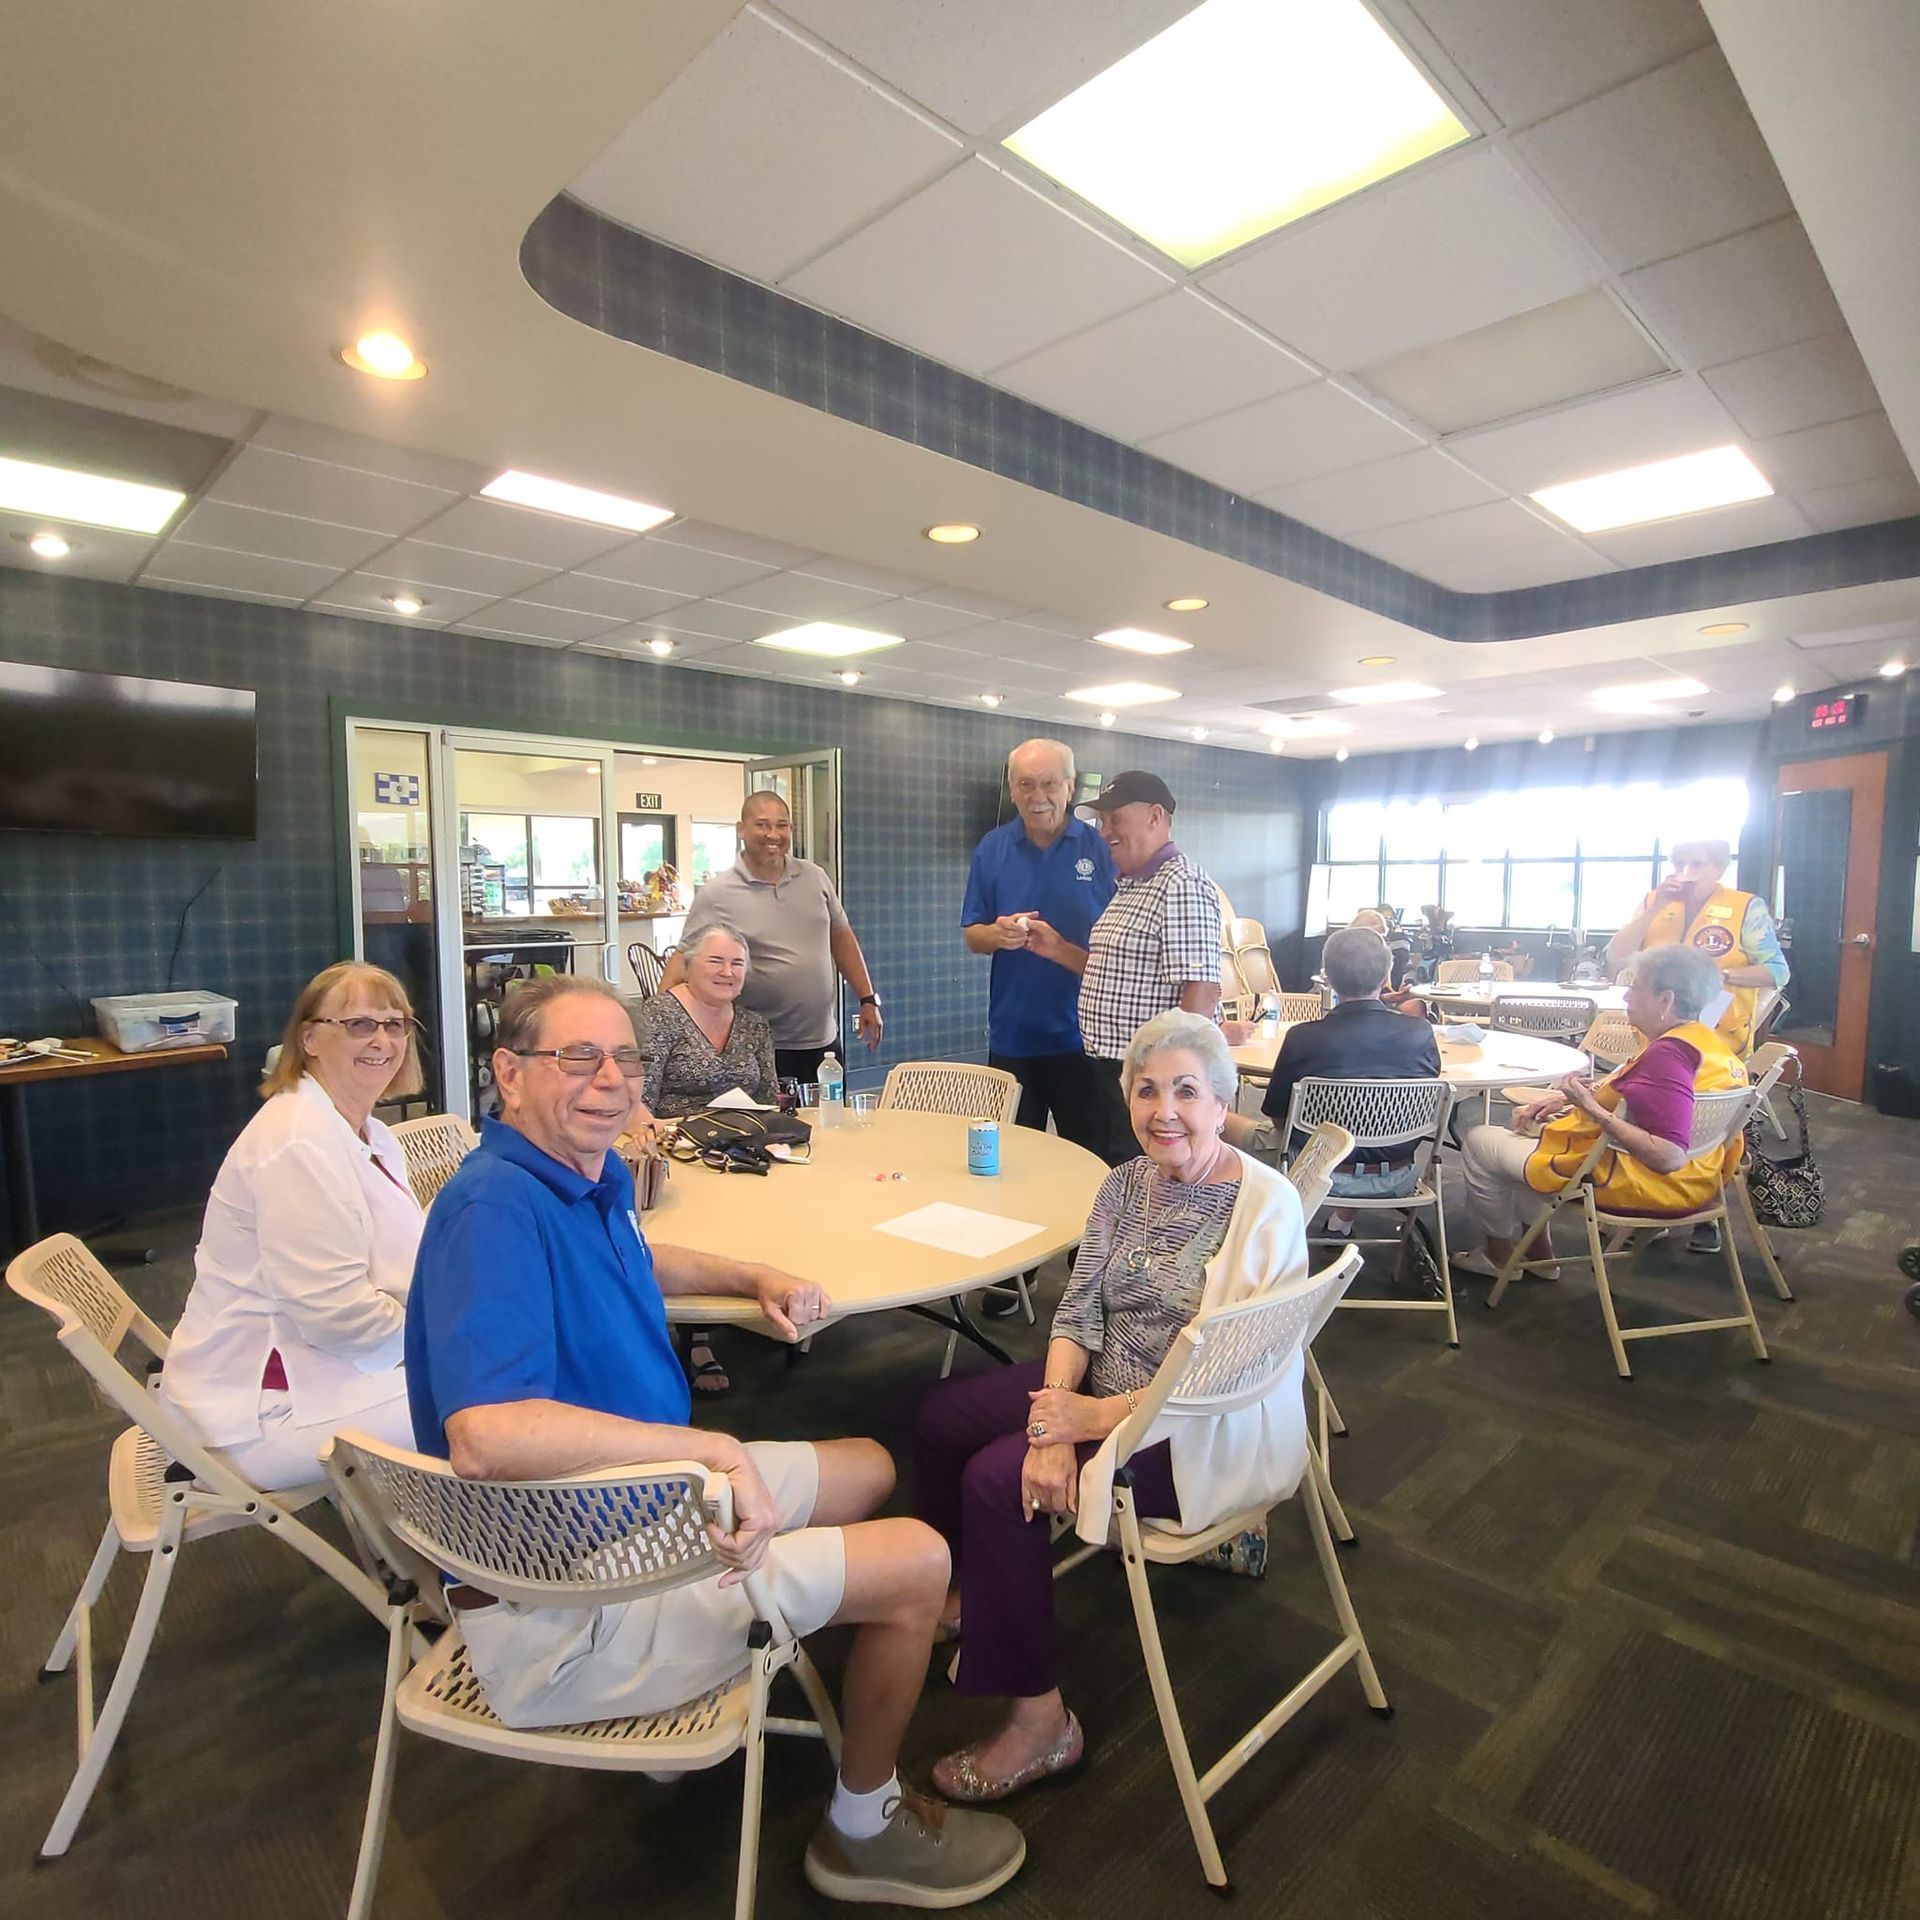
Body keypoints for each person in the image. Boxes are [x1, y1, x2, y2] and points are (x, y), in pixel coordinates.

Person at [404, 976, 1026, 1907]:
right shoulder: (492, 1212)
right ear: (508, 1073)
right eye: (578, 1057)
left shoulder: (575, 1173)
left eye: (625, 1057)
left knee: (871, 1467)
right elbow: (485, 1437)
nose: (611, 1080)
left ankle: (758, 1648)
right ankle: (864, 1832)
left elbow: (637, 1255)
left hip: (632, 1514)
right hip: (572, 1601)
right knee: (920, 1561)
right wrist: (710, 1453)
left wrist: (751, 1272)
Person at [912, 1011, 1307, 1802]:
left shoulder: (1265, 1206)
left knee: (999, 1481)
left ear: (1223, 1101)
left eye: (1187, 1092)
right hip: (1096, 1396)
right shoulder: (1124, 1182)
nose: (1165, 1110)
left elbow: (1229, 1374)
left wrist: (1090, 1424)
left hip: (1189, 1433)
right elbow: (1079, 1308)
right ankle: (968, 1596)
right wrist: (1056, 1411)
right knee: (939, 1417)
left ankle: (1041, 1724)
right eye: (1147, 1090)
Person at [159, 962, 424, 1489]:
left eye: (395, 1025)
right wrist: (441, 1340)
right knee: (507, 1401)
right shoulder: (298, 1143)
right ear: (310, 1039)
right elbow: (338, 1318)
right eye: (358, 1024)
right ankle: (486, 1559)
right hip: (261, 1412)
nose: (382, 1040)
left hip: (315, 1373)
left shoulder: (367, 1132)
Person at [1451, 944, 1748, 1280]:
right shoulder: (1709, 1046)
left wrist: (1589, 1108)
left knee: (1479, 1140)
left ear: (1665, 1001)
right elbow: (1644, 1094)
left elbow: (1668, 1155)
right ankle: (1537, 1254)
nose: (1626, 998)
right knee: (1520, 1138)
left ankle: (1499, 1256)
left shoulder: (1670, 1056)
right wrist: (1572, 1099)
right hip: (1701, 1179)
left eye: (1635, 988)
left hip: (1645, 1183)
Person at [1025, 772, 1223, 1166]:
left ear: (1154, 816)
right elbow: (1114, 972)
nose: (1104, 831)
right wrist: (1059, 950)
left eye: (1115, 819)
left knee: (1139, 1178)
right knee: (1113, 1176)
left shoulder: (1180, 883)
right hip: (1110, 1070)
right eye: (1102, 821)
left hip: (1149, 1077)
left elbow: (1201, 990)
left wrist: (1175, 1084)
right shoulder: (1132, 886)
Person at [636, 923, 778, 1397]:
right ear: (687, 964)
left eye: (737, 963)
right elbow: (638, 1098)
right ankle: (696, 1335)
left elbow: (767, 1097)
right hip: (676, 1148)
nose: (727, 972)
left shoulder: (755, 1025)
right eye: (715, 961)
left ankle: (765, 1289)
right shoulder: (659, 1016)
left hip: (740, 1145)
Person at [1225, 926, 1440, 1232]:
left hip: (1313, 1172)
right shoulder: (1420, 1032)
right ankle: (1341, 1222)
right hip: (1400, 1173)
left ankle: (1233, 1227)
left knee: (1218, 1116)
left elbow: (1279, 1119)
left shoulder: (1303, 1037)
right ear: (1385, 976)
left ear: (1327, 978)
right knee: (1364, 1125)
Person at [960, 738, 1115, 1153]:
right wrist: (998, 933)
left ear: (1070, 786)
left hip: (1087, 1040)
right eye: (1026, 784)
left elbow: (1121, 949)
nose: (1037, 796)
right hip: (1013, 1038)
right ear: (1012, 790)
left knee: (1090, 1161)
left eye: (1049, 783)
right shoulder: (992, 849)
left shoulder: (1102, 849)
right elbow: (972, 935)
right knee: (1010, 1161)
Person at [667, 791, 881, 1084]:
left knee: (829, 1125)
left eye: (782, 825)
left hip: (822, 1042)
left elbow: (841, 936)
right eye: (762, 825)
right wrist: (660, 1025)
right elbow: (683, 961)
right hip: (758, 1047)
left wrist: (868, 998)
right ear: (741, 829)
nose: (773, 834)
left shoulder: (815, 877)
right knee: (773, 1128)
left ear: (791, 830)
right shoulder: (717, 893)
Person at [1605, 838, 1788, 1058]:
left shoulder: (1746, 907)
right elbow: (1617, 955)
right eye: (1680, 865)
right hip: (1655, 1033)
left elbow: (1778, 972)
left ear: (1719, 870)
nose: (1687, 872)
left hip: (1719, 1034)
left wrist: (1722, 976)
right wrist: (1655, 908)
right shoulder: (1654, 901)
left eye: (1697, 864)